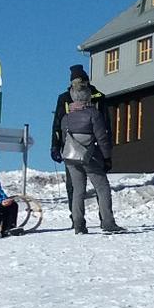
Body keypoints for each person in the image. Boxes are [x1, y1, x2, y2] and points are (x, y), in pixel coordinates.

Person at [58, 80, 124, 235]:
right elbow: (102, 138)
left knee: (78, 190)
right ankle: (108, 222)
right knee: (102, 188)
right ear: (88, 97)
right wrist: (107, 157)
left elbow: (63, 138)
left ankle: (78, 224)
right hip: (90, 156)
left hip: (70, 157)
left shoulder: (66, 118)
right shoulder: (93, 114)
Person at [50, 64, 106, 161]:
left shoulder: (98, 97)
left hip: (73, 148)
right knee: (95, 174)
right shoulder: (65, 98)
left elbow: (57, 125)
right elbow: (57, 125)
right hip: (85, 147)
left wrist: (55, 146)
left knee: (78, 173)